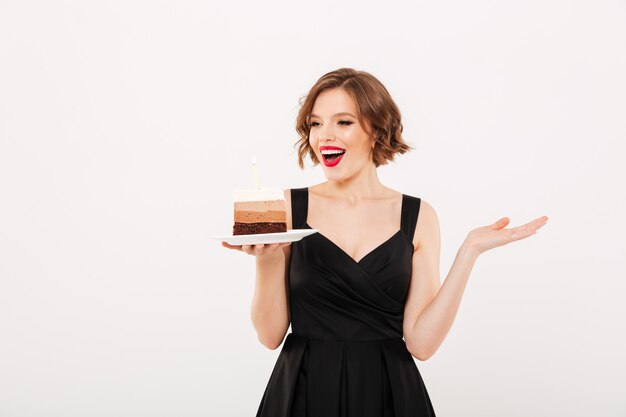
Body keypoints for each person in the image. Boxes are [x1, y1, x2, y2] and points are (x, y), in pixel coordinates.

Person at [222, 68, 548, 417]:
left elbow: (421, 344)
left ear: (377, 130)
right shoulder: (285, 206)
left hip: (389, 393)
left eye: (343, 122)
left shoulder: (418, 215)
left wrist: (469, 252)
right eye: (316, 124)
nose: (324, 136)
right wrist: (266, 258)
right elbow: (269, 335)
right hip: (303, 389)